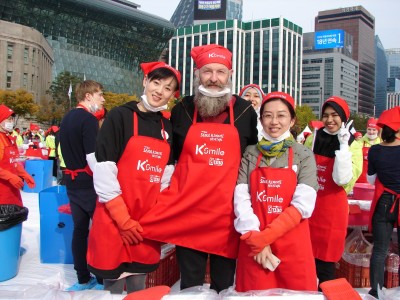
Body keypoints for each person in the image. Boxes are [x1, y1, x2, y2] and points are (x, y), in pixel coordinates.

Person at [140, 44, 258, 293]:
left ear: (230, 74)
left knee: (224, 286)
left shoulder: (245, 112)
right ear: (197, 74)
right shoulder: (182, 108)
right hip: (188, 211)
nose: (214, 79)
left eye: (220, 72)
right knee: (190, 285)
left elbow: (252, 160)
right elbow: (169, 160)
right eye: (207, 72)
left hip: (226, 215)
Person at [87, 61, 181, 295]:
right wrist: (123, 219)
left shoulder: (166, 126)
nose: (160, 91)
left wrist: (154, 218)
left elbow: (165, 177)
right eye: (156, 82)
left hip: (144, 224)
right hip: (114, 218)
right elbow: (104, 170)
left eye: (167, 88)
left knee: (140, 284)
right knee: (114, 284)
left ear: (173, 94)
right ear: (145, 82)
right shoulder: (120, 116)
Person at [234, 92, 318, 292]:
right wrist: (256, 238)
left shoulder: (303, 154)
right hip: (255, 244)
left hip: (292, 244)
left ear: (292, 120)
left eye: (281, 115)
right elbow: (241, 197)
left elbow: (303, 205)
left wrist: (266, 238)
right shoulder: (251, 153)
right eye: (268, 115)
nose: (274, 122)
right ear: (261, 119)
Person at [304, 96, 362, 288]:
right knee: (305, 261)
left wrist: (343, 146)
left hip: (333, 213)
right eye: (326, 115)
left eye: (335, 115)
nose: (329, 120)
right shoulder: (313, 137)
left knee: (326, 265)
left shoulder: (353, 144)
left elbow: (343, 179)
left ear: (344, 117)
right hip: (309, 208)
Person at [59, 80, 105, 291]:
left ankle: (83, 278)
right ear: (88, 96)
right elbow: (92, 156)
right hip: (88, 183)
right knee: (99, 231)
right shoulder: (88, 119)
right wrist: (105, 180)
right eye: (100, 95)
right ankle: (103, 278)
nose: (102, 99)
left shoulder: (67, 117)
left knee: (79, 230)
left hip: (72, 182)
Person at [367, 106, 400, 299]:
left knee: (380, 249)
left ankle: (376, 291)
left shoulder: (375, 150)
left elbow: (371, 180)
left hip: (384, 202)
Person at [0, 104, 35, 205]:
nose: (11, 122)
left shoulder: (10, 139)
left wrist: (24, 174)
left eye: (12, 119)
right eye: (8, 119)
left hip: (12, 190)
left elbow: (14, 162)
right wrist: (10, 176)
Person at [356, 118, 382, 183]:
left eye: (374, 130)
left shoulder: (381, 143)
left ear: (377, 131)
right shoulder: (360, 142)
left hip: (375, 179)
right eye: (369, 129)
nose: (371, 132)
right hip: (360, 178)